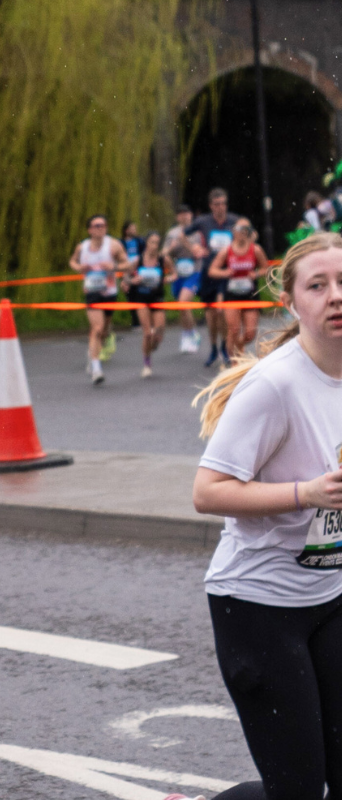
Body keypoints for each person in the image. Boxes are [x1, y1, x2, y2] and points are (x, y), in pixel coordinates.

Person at [192, 232, 342, 800]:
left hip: (330, 596)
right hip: (257, 607)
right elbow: (207, 492)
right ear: (292, 302)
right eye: (318, 285)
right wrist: (305, 493)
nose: (335, 296)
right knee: (297, 792)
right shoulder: (275, 385)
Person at [70, 214, 130, 385]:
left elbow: (127, 264)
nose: (100, 228)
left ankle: (94, 353)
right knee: (96, 328)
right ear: (89, 229)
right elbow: (72, 262)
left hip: (109, 292)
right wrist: (79, 267)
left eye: (103, 225)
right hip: (92, 292)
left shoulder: (113, 245)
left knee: (103, 330)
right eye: (96, 225)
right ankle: (96, 368)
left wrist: (114, 267)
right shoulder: (83, 247)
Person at [188, 188, 240, 369]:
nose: (221, 207)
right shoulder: (203, 221)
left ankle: (225, 348)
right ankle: (213, 348)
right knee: (211, 315)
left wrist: (240, 247)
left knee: (222, 312)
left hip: (227, 273)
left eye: (223, 203)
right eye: (217, 204)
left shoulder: (234, 221)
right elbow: (182, 235)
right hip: (209, 272)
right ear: (211, 206)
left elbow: (252, 234)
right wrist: (194, 248)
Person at [208, 219, 269, 361]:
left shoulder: (256, 249)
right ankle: (234, 361)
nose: (241, 233)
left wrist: (257, 274)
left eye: (244, 230)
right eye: (238, 230)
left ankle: (238, 346)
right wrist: (225, 273)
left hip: (250, 294)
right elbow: (212, 270)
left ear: (248, 232)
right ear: (233, 232)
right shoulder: (226, 251)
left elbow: (266, 268)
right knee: (234, 330)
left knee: (250, 333)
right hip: (232, 295)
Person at [125, 230, 171, 378]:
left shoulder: (163, 260)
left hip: (157, 298)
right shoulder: (138, 261)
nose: (154, 246)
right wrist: (133, 281)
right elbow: (125, 277)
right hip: (141, 298)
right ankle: (146, 364)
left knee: (159, 330)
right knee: (147, 333)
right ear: (146, 243)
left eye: (157, 243)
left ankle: (154, 345)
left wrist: (167, 279)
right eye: (152, 242)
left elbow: (174, 273)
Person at [164, 204, 202, 354]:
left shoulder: (198, 232)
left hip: (194, 271)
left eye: (187, 213)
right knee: (181, 307)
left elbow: (200, 252)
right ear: (177, 217)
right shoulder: (172, 233)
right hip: (178, 273)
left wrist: (187, 244)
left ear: (191, 215)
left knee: (183, 302)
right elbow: (164, 253)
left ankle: (192, 332)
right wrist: (172, 248)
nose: (184, 216)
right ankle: (186, 334)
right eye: (181, 214)